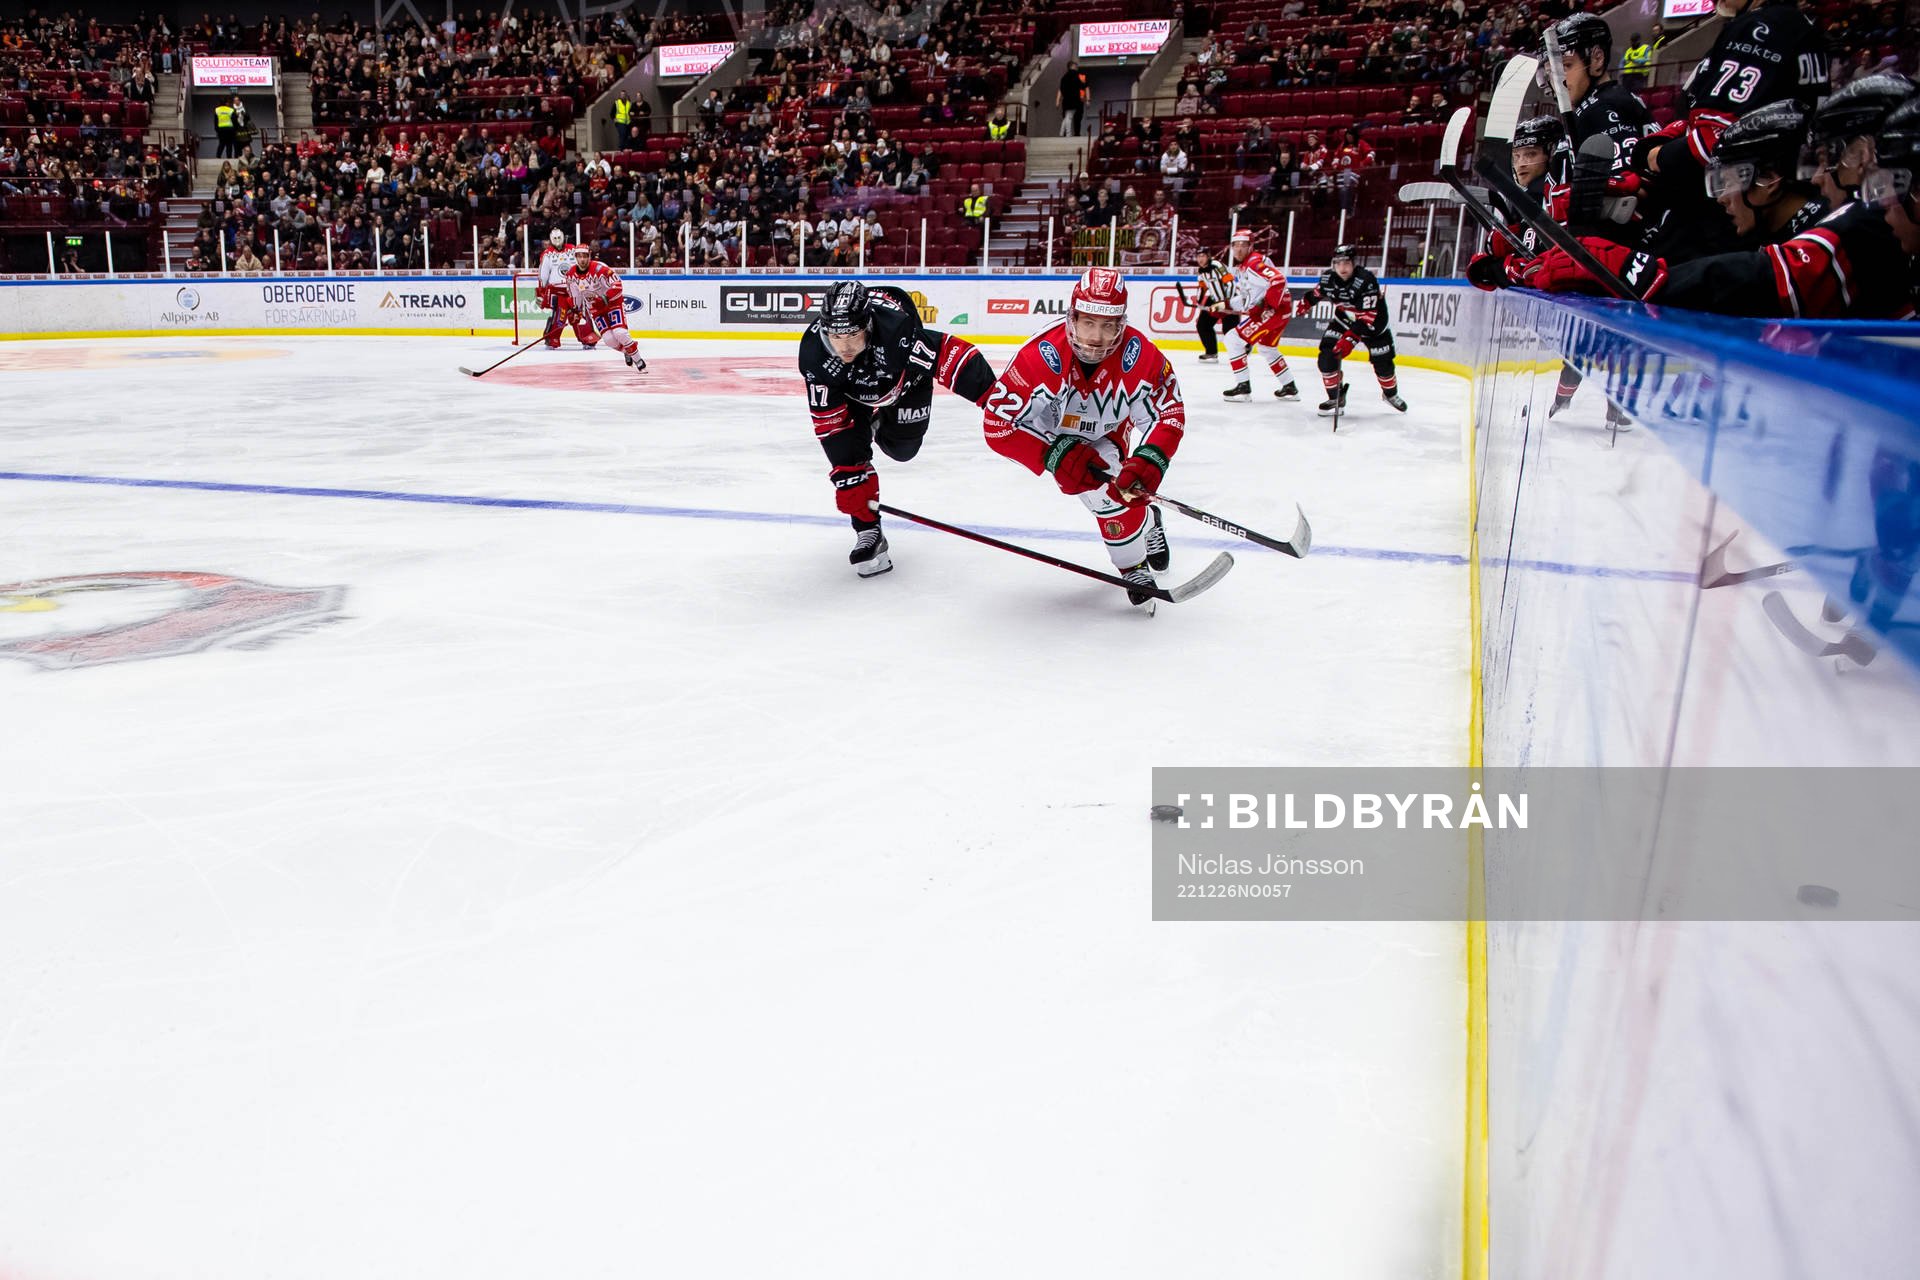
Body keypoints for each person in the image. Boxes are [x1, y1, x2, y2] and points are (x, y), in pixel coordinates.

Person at [979, 268, 1187, 613]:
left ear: (1121, 325)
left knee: (1112, 496)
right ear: (1072, 316)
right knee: (1109, 496)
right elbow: (997, 424)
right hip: (1051, 435)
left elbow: (1169, 412)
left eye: (1108, 326)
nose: (1096, 338)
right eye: (1088, 323)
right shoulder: (1039, 357)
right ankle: (1148, 522)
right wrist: (1053, 454)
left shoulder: (1143, 357)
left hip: (1108, 432)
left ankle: (1134, 567)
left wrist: (1150, 458)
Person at [798, 281, 996, 576]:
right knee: (852, 461)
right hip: (852, 395)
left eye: (853, 335)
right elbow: (829, 422)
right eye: (836, 336)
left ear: (868, 326)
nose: (845, 346)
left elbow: (953, 356)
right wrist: (849, 474)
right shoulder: (815, 352)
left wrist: (995, 400)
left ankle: (879, 421)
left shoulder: (896, 333)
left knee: (902, 450)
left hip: (906, 385)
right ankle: (868, 532)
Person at [1299, 245, 1404, 414]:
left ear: (1354, 263)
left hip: (1373, 325)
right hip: (1345, 320)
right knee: (1327, 355)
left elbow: (1367, 317)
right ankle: (1336, 397)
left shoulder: (1366, 279)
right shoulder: (1328, 279)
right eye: (1338, 263)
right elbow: (1317, 294)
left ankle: (1390, 395)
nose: (1342, 267)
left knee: (1383, 365)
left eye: (1346, 262)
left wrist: (1350, 339)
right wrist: (1306, 303)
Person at [1218, 229, 1300, 401]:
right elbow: (1249, 298)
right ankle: (1289, 387)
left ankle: (1243, 388)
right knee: (1267, 348)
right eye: (1236, 245)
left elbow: (1278, 280)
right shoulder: (1243, 267)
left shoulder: (1253, 263)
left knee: (1233, 339)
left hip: (1273, 311)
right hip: (1280, 311)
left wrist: (1264, 306)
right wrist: (1225, 304)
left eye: (1243, 245)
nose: (1239, 249)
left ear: (1251, 246)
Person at [560, 244, 647, 373]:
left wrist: (604, 299)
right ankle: (627, 351)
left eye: (585, 256)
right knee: (609, 340)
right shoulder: (571, 275)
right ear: (576, 258)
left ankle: (638, 360)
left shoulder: (600, 268)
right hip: (596, 310)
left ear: (589, 256)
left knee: (620, 333)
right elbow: (575, 296)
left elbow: (617, 285)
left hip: (613, 304)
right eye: (579, 257)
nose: (582, 259)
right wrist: (575, 310)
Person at [537, 227, 598, 349]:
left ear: (564, 236)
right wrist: (541, 293)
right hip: (558, 292)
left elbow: (582, 264)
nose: (557, 241)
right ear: (550, 239)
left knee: (579, 315)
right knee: (559, 316)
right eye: (555, 238)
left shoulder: (573, 249)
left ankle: (588, 338)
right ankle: (552, 339)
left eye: (559, 237)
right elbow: (543, 276)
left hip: (575, 291)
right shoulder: (547, 254)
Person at [1192, 246, 1238, 363]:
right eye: (1198, 256)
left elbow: (1231, 283)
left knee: (1229, 329)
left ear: (1208, 256)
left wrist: (1228, 301)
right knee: (1203, 325)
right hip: (1215, 301)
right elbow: (1202, 288)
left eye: (1202, 256)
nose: (1200, 259)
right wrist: (1198, 301)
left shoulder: (1217, 265)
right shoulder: (1201, 271)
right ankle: (1211, 352)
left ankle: (1244, 347)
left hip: (1230, 300)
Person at [1057, 59, 1088, 137]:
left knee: (1067, 117)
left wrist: (1057, 101)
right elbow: (1084, 88)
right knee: (1075, 118)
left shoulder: (1064, 77)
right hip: (1077, 100)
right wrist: (1086, 99)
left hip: (1066, 100)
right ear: (1073, 66)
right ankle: (1072, 133)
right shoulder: (1080, 76)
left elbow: (1060, 90)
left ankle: (1062, 133)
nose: (1077, 67)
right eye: (1076, 66)